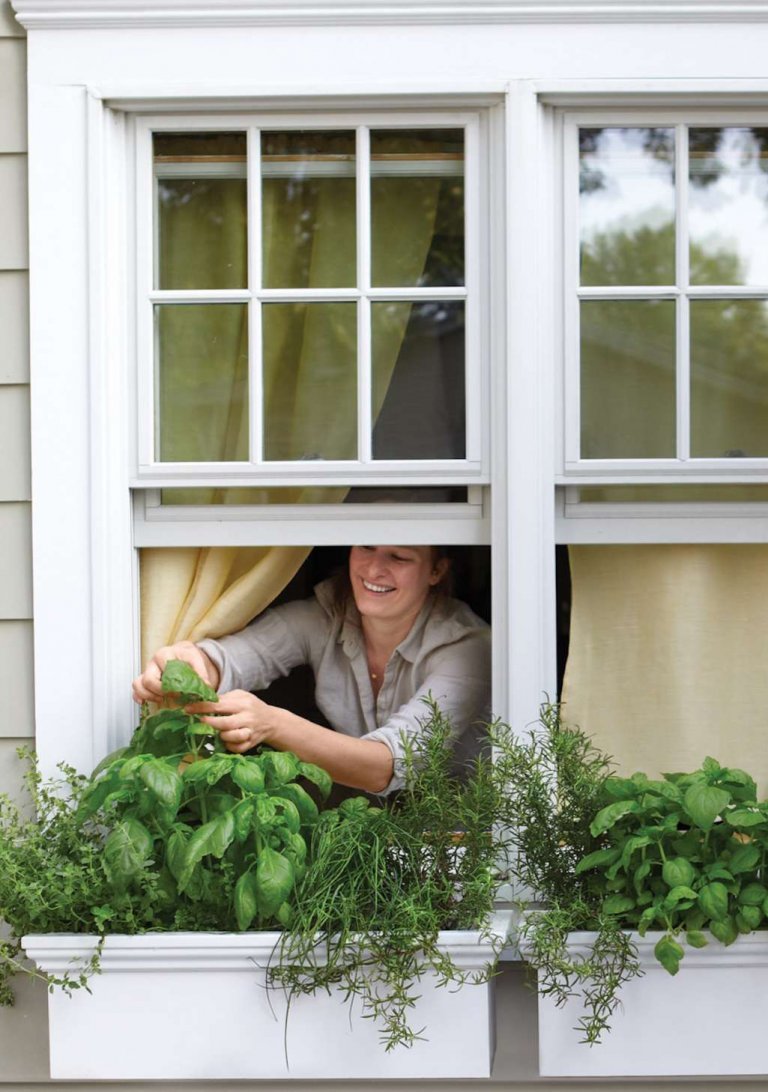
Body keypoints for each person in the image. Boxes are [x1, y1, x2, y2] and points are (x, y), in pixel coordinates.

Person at [132, 545, 491, 795]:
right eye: (365, 547)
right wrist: (189, 662)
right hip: (375, 831)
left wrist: (271, 723)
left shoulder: (467, 648)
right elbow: (238, 657)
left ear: (436, 571)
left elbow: (386, 765)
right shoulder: (326, 615)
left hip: (466, 838)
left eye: (399, 557)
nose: (374, 569)